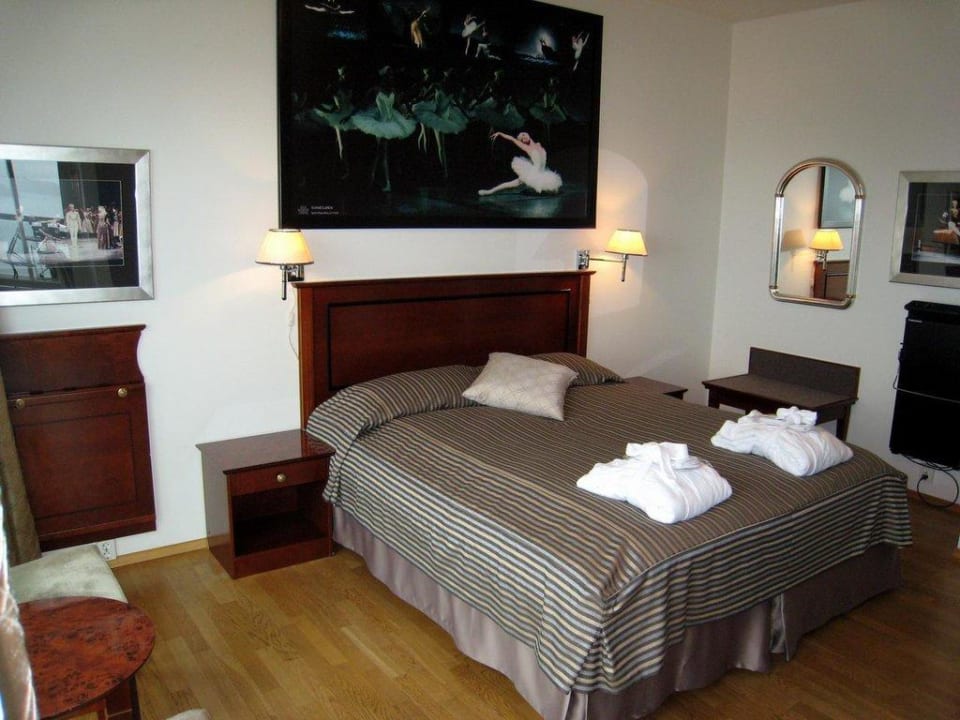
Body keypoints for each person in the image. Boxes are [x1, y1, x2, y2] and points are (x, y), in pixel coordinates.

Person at [478, 131, 562, 196]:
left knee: (554, 191)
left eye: (524, 135)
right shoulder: (526, 147)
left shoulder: (538, 144)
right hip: (533, 173)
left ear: (528, 134)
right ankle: (489, 191)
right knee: (513, 184)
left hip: (542, 172)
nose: (524, 137)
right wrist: (500, 133)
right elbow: (512, 139)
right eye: (522, 138)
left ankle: (529, 190)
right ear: (522, 142)